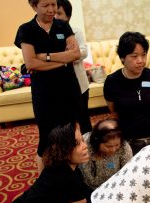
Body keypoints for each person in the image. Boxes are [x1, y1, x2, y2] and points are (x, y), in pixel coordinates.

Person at [16, 0, 92, 174]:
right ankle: (45, 180)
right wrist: (62, 61)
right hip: (44, 93)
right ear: (34, 6)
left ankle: (75, 175)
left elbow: (75, 54)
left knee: (72, 133)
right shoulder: (26, 30)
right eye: (45, 5)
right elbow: (31, 63)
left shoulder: (62, 26)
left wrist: (46, 57)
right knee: (47, 137)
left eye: (53, 4)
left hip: (70, 90)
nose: (51, 9)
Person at [103, 31, 150, 155]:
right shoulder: (112, 81)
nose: (141, 60)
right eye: (134, 56)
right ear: (122, 58)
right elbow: (114, 111)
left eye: (144, 55)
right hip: (128, 141)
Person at [55, 0, 92, 132]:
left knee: (83, 118)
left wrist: (68, 55)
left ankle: (88, 147)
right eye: (54, 13)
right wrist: (67, 55)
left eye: (59, 13)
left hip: (80, 84)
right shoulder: (49, 35)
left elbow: (83, 51)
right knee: (64, 121)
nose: (55, 17)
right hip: (59, 85)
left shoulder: (76, 32)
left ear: (68, 17)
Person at [79, 118, 133, 189]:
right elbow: (86, 176)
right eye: (108, 146)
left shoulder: (124, 147)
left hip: (116, 186)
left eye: (116, 145)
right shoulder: (85, 145)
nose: (113, 149)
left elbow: (127, 171)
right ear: (97, 142)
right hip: (89, 188)